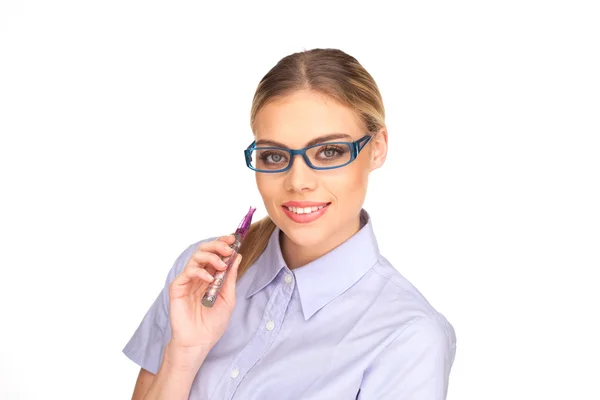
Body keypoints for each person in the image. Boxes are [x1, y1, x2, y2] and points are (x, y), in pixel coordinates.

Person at [123, 48, 457, 400]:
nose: (298, 181)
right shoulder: (201, 278)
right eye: (274, 156)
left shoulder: (408, 337)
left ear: (377, 147)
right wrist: (183, 354)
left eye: (329, 152)